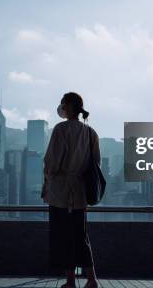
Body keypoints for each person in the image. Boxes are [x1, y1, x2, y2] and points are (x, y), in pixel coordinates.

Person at [42, 92, 101, 288]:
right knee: (81, 236)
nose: (61, 107)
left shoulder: (61, 129)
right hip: (81, 194)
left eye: (63, 104)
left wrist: (47, 183)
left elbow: (52, 163)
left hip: (60, 194)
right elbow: (96, 164)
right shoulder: (91, 133)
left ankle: (70, 281)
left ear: (69, 107)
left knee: (63, 237)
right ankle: (92, 279)